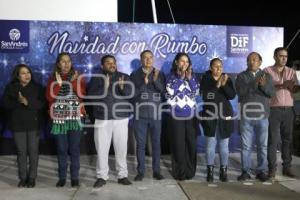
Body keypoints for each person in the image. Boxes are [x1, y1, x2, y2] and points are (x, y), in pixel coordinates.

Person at [88, 55, 132, 187]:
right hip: (102, 118)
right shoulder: (96, 79)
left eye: (113, 62)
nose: (112, 65)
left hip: (121, 118)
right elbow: (91, 97)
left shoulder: (124, 76)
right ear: (102, 66)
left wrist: (123, 88)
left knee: (121, 148)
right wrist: (105, 87)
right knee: (101, 148)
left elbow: (131, 95)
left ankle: (122, 175)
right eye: (108, 63)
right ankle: (102, 176)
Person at [46, 52, 86, 187]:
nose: (66, 64)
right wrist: (59, 83)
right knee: (62, 148)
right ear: (58, 63)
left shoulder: (78, 77)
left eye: (68, 61)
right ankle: (62, 177)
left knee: (74, 148)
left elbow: (81, 94)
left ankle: (75, 177)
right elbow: (51, 97)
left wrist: (71, 81)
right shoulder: (53, 78)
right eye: (63, 61)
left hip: (75, 118)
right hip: (59, 119)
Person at [3, 64, 45, 187]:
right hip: (18, 125)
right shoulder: (11, 88)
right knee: (21, 152)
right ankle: (23, 178)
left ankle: (32, 178)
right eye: (23, 73)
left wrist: (28, 102)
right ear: (17, 75)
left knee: (33, 151)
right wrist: (18, 101)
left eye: (28, 72)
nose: (27, 75)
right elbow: (5, 104)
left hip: (34, 124)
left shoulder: (38, 88)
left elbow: (42, 104)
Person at [235, 52, 275, 182]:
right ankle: (245, 171)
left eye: (254, 59)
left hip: (263, 116)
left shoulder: (267, 76)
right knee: (246, 146)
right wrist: (254, 83)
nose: (251, 62)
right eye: (249, 60)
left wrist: (263, 85)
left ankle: (261, 171)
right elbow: (240, 92)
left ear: (260, 62)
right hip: (246, 116)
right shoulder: (241, 76)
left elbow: (271, 93)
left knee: (262, 146)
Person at [130, 50, 165, 181]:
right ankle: (141, 172)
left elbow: (163, 91)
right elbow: (132, 94)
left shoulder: (159, 73)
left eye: (150, 58)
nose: (148, 60)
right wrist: (143, 84)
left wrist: (155, 81)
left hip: (156, 115)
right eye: (145, 58)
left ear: (153, 59)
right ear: (141, 60)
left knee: (156, 144)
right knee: (141, 145)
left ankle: (157, 171)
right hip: (140, 115)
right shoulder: (134, 75)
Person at [200, 58, 236, 182]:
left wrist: (224, 84)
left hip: (224, 115)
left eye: (220, 66)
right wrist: (218, 85)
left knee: (224, 145)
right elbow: (206, 96)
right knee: (210, 145)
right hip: (210, 115)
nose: (219, 68)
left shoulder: (227, 78)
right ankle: (210, 171)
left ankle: (223, 171)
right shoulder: (206, 79)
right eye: (216, 66)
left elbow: (231, 95)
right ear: (211, 68)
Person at [264, 47, 298, 178]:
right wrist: (282, 85)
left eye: (286, 56)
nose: (284, 59)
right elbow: (265, 88)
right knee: (273, 140)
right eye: (281, 56)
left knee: (288, 140)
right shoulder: (267, 71)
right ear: (275, 57)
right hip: (274, 110)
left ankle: (287, 168)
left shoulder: (292, 71)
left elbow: (295, 90)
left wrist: (294, 87)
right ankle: (272, 169)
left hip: (289, 110)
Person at [165, 52, 199, 180]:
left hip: (191, 116)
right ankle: (180, 172)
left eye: (187, 61)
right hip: (176, 116)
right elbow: (171, 91)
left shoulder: (193, 76)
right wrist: (180, 79)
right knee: (178, 145)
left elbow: (196, 92)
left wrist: (189, 79)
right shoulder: (170, 76)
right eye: (182, 61)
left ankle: (190, 171)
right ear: (176, 62)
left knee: (191, 144)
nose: (184, 63)